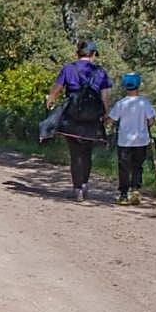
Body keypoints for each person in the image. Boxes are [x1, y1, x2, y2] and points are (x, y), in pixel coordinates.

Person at [45, 39, 112, 201]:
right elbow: (105, 96)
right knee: (87, 153)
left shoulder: (69, 68)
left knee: (75, 154)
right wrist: (107, 114)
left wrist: (50, 101)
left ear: (77, 53)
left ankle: (77, 189)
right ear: (93, 54)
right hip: (92, 117)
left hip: (72, 116)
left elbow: (57, 89)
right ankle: (84, 185)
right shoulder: (101, 72)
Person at [106, 72, 156, 205]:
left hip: (124, 141)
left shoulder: (121, 103)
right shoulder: (144, 102)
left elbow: (111, 120)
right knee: (137, 166)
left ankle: (123, 194)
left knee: (124, 167)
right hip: (141, 140)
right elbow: (151, 121)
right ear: (138, 85)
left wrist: (105, 120)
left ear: (124, 86)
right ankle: (135, 189)